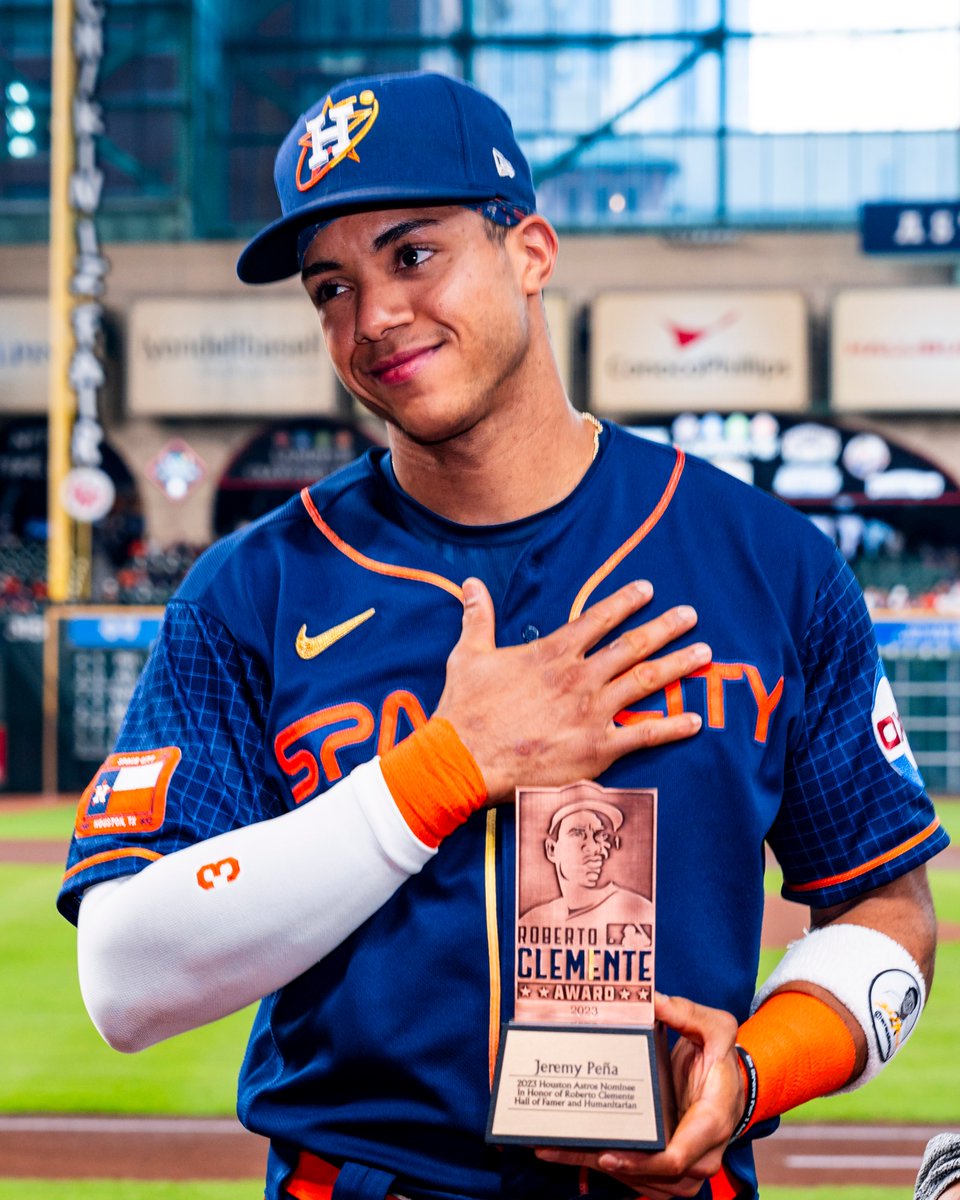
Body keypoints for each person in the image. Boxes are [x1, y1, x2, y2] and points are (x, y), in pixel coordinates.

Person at [57, 70, 948, 1200]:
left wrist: (755, 1072)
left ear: (529, 249)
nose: (373, 315)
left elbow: (884, 906)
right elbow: (126, 979)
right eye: (331, 286)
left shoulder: (768, 562)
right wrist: (447, 767)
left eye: (414, 253)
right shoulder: (254, 590)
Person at [520, 791, 654, 943]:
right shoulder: (533, 920)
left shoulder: (638, 911)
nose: (594, 848)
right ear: (551, 849)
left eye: (599, 836)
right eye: (578, 833)